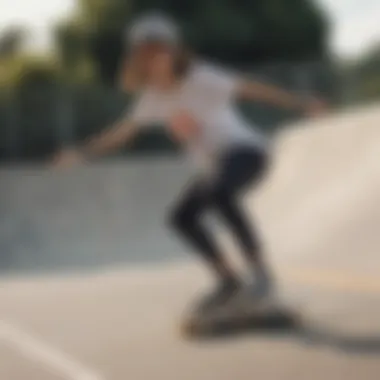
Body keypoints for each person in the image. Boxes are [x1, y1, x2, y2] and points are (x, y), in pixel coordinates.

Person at [54, 12, 325, 311]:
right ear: (137, 61)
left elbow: (253, 89)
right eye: (146, 56)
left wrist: (301, 103)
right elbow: (122, 134)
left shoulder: (202, 77)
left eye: (159, 52)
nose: (154, 61)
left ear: (173, 53)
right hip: (216, 166)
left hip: (247, 152)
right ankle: (228, 281)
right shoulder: (152, 98)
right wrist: (81, 153)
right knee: (181, 218)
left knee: (220, 192)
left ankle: (260, 272)